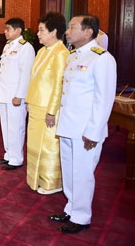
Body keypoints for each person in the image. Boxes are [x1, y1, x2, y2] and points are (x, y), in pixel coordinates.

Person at [49, 14, 116, 234]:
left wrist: (94, 132)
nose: (67, 31)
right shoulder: (74, 56)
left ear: (88, 31)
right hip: (69, 125)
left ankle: (82, 216)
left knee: (83, 173)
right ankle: (71, 208)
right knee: (69, 171)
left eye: (72, 27)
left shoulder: (101, 58)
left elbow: (104, 99)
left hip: (86, 130)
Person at [25, 12, 69, 195]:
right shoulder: (42, 51)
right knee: (35, 144)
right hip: (36, 104)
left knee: (48, 145)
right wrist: (28, 99)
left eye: (42, 30)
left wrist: (52, 111)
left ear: (54, 32)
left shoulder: (61, 53)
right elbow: (33, 79)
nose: (38, 33)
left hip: (48, 109)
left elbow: (59, 85)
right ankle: (36, 178)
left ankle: (52, 182)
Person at [0, 17, 35, 171]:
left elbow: (25, 73)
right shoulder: (8, 46)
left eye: (8, 29)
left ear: (18, 30)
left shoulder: (26, 48)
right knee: (5, 126)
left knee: (15, 127)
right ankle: (9, 154)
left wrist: (19, 95)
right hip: (4, 93)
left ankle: (17, 158)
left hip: (15, 96)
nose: (5, 32)